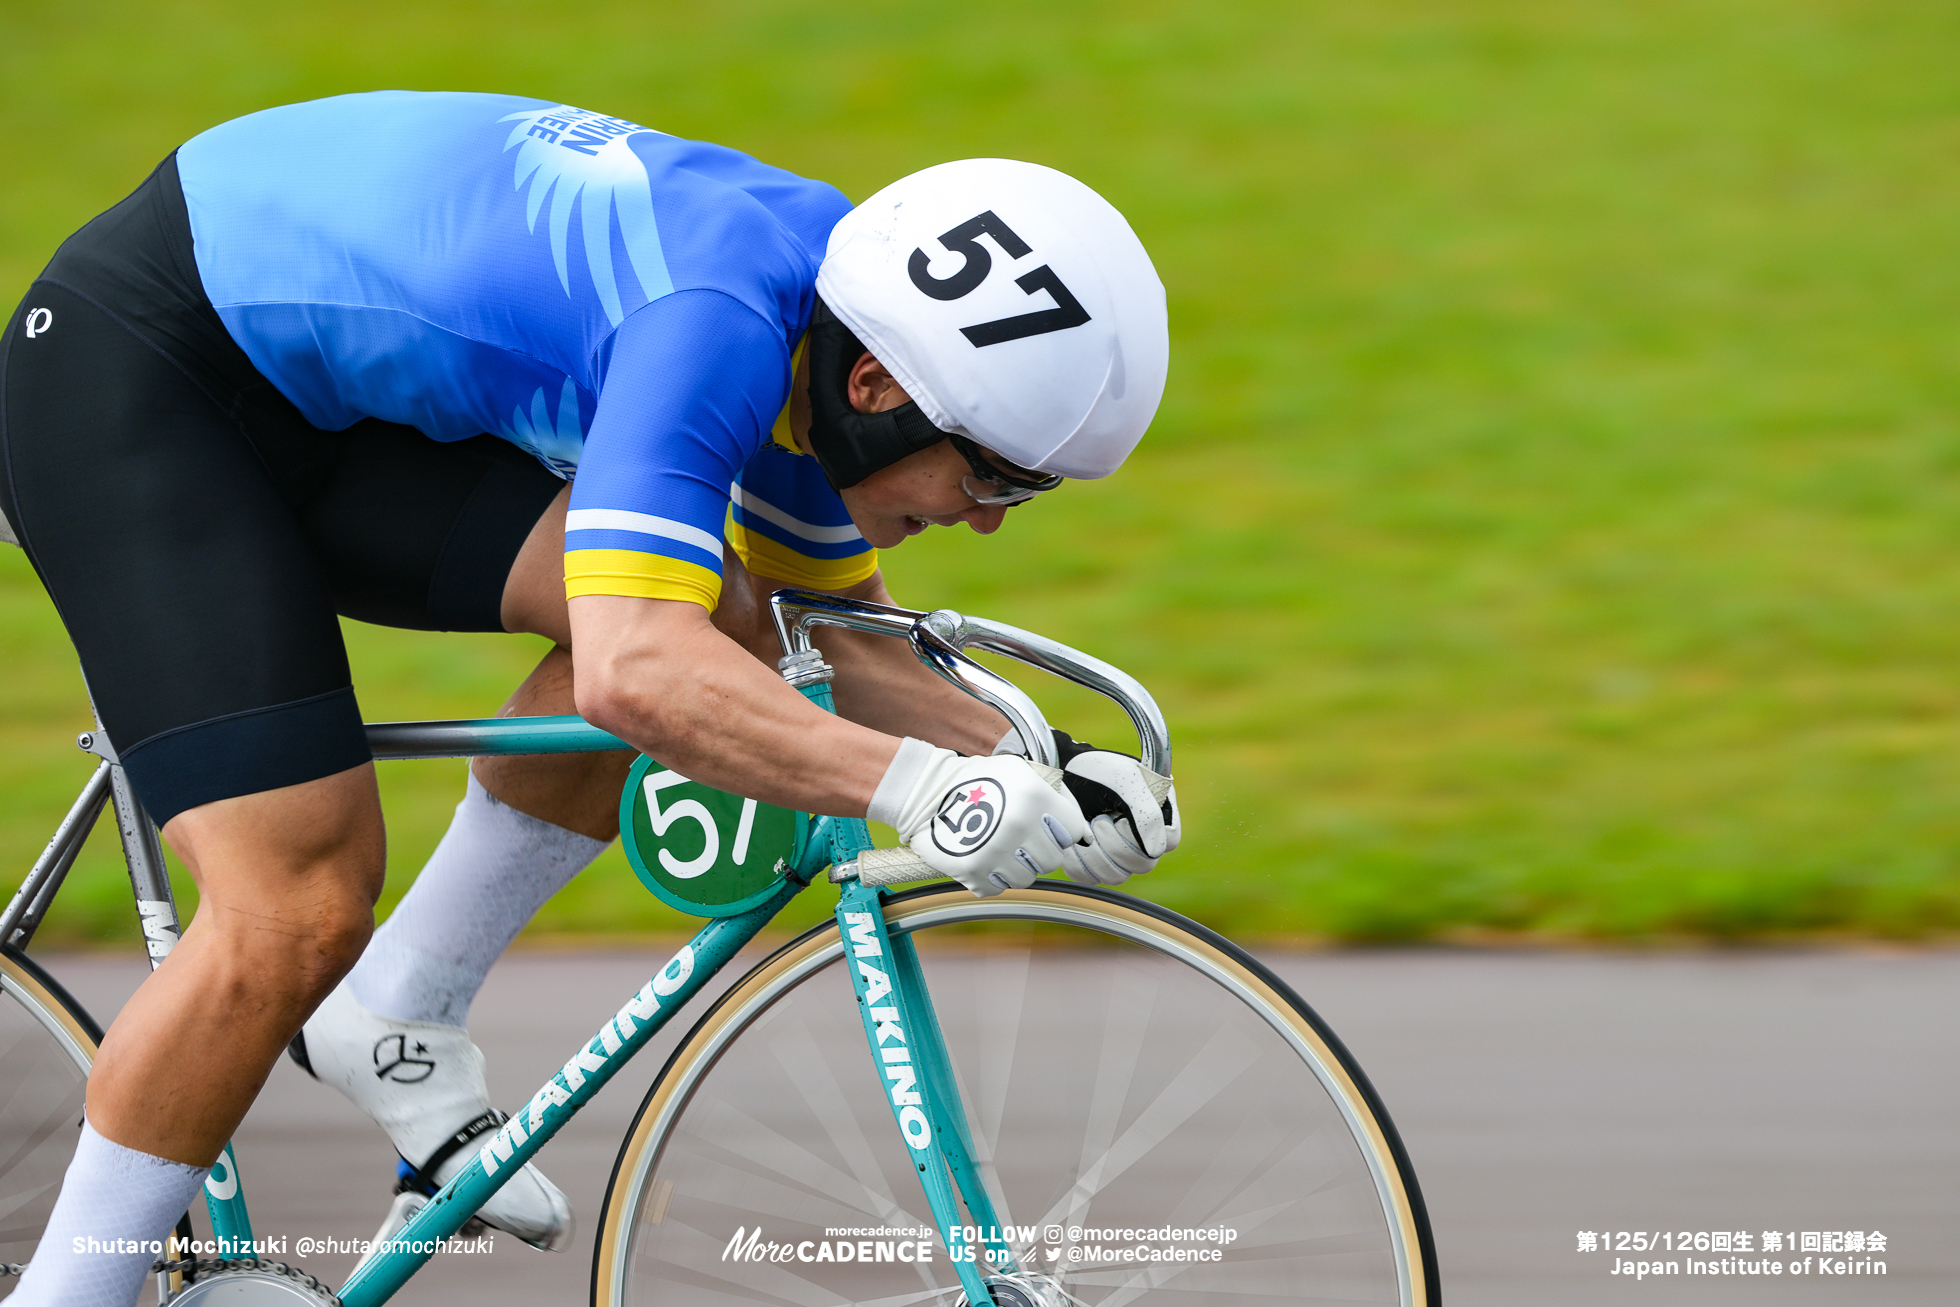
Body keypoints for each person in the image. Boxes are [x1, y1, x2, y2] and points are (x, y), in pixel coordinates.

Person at [0, 90, 1178, 1304]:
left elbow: (825, 634)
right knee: (294, 902)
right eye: (988, 472)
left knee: (729, 610)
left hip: (314, 401)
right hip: (142, 367)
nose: (985, 517)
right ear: (877, 386)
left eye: (1022, 492)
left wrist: (1043, 758)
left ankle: (397, 1012)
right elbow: (632, 671)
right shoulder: (715, 325)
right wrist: (929, 789)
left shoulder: (836, 341)